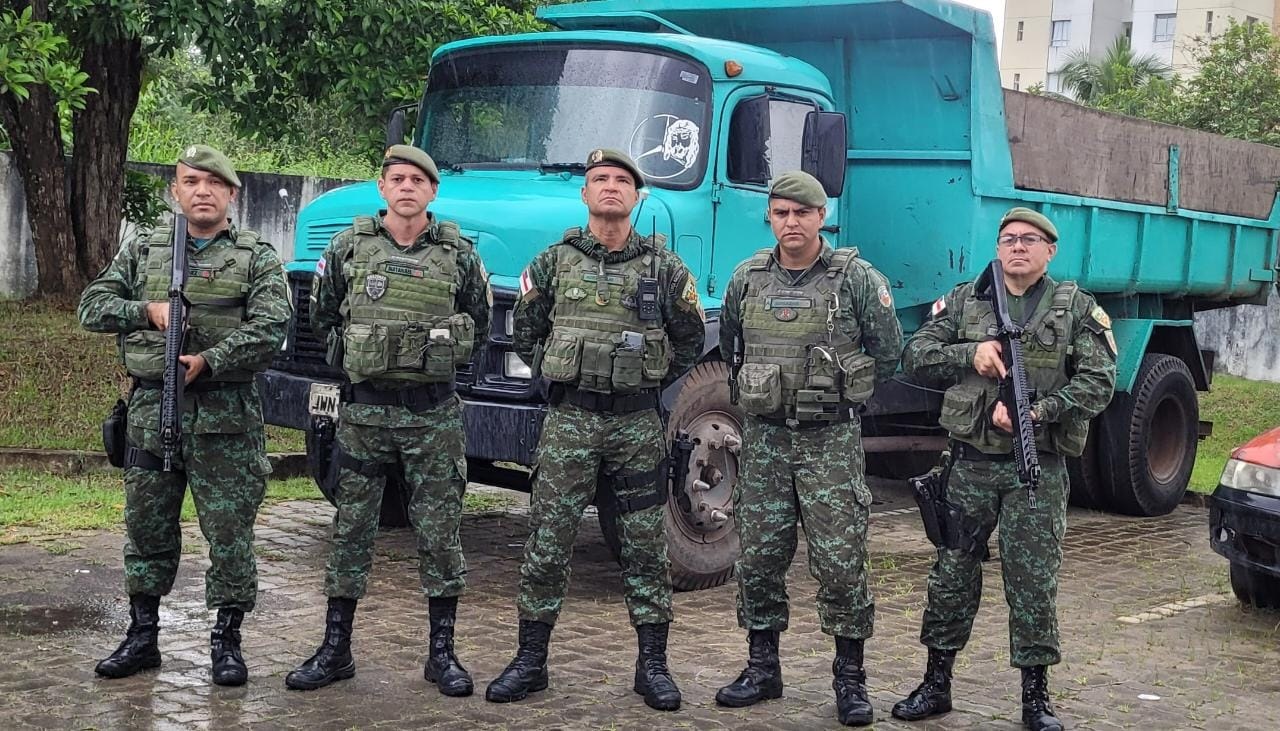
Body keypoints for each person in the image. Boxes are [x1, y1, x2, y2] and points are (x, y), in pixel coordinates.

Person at [485, 148, 705, 711]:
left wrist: (645, 379)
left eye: (621, 181)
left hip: (636, 425)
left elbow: (688, 340)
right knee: (548, 540)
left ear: (637, 196)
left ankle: (653, 666)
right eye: (599, 179)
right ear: (584, 194)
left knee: (645, 546)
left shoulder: (665, 269)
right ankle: (530, 661)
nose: (610, 187)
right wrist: (564, 376)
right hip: (571, 422)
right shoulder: (553, 263)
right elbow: (526, 333)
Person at [894, 207, 1117, 730]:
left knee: (1032, 583)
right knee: (951, 575)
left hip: (1034, 472)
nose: (1018, 246)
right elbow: (914, 353)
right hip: (969, 467)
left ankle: (1035, 697)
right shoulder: (965, 300)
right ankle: (936, 684)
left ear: (1049, 251)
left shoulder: (1076, 307)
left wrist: (1039, 411)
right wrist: (970, 354)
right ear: (998, 248)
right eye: (1009, 239)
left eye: (1029, 240)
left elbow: (1100, 382)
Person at [78, 144, 290, 686]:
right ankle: (142, 635)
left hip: (226, 417)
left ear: (231, 193)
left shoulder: (256, 256)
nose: (202, 191)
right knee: (146, 528)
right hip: (152, 410)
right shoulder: (144, 249)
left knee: (230, 534)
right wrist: (145, 310)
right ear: (176, 190)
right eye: (191, 181)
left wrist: (209, 360)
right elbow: (91, 307)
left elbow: (272, 329)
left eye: (214, 183)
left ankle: (227, 641)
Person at [285, 145, 491, 694]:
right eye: (397, 179)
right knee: (352, 530)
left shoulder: (459, 254)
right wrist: (363, 360)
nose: (406, 188)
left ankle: (442, 654)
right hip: (365, 414)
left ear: (432, 191)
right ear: (382, 187)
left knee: (440, 534)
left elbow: (479, 322)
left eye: (417, 180)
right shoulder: (347, 246)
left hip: (432, 416)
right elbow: (321, 316)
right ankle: (335, 649)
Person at [713, 171, 902, 727]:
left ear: (823, 217)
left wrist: (841, 389)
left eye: (801, 213)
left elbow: (888, 351)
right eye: (781, 213)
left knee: (841, 562)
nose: (790, 223)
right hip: (766, 439)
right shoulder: (747, 278)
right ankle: (762, 668)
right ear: (769, 218)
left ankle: (850, 679)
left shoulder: (857, 279)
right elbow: (731, 346)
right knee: (759, 557)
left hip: (830, 440)